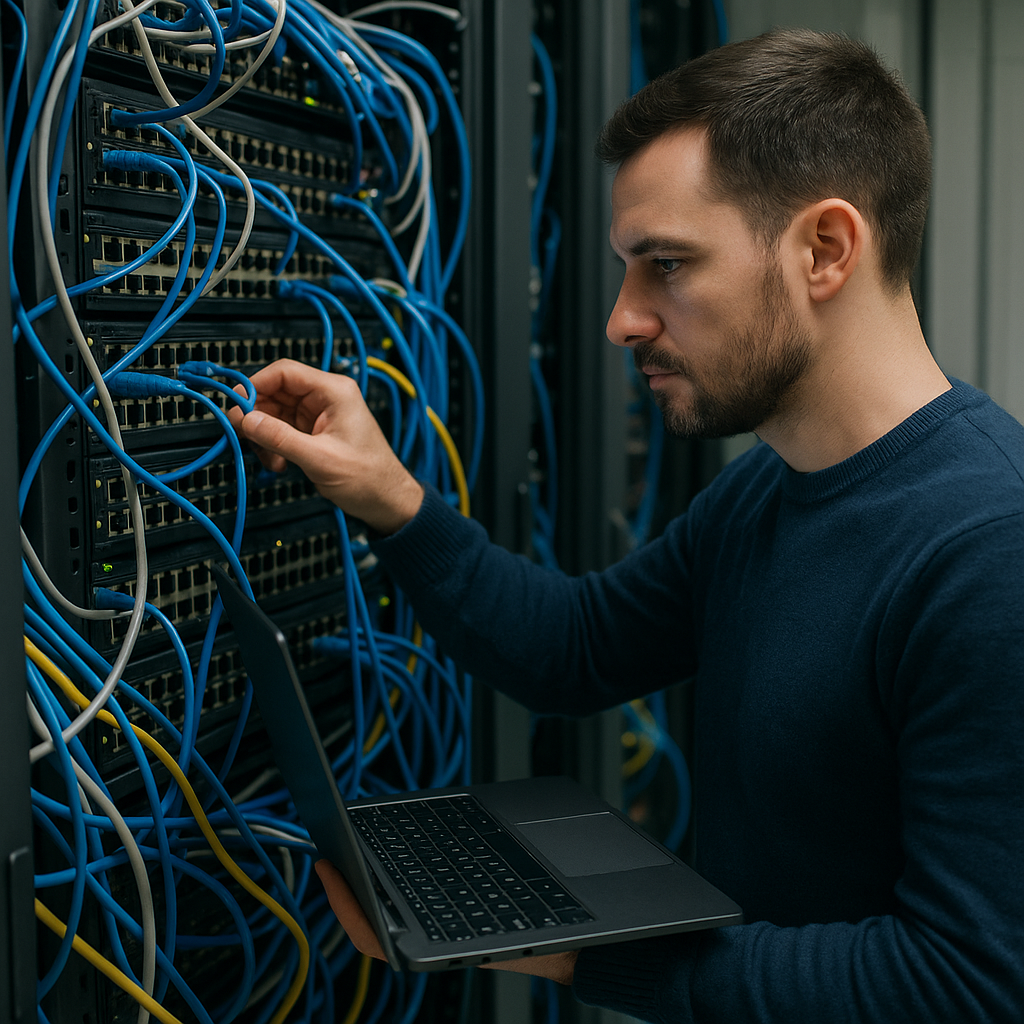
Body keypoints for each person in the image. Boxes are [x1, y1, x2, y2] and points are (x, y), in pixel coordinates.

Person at [229, 27, 1024, 1023]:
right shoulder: (766, 492)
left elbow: (965, 986)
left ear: (826, 248)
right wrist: (392, 499)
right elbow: (575, 648)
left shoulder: (988, 553)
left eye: (665, 264)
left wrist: (578, 957)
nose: (620, 318)